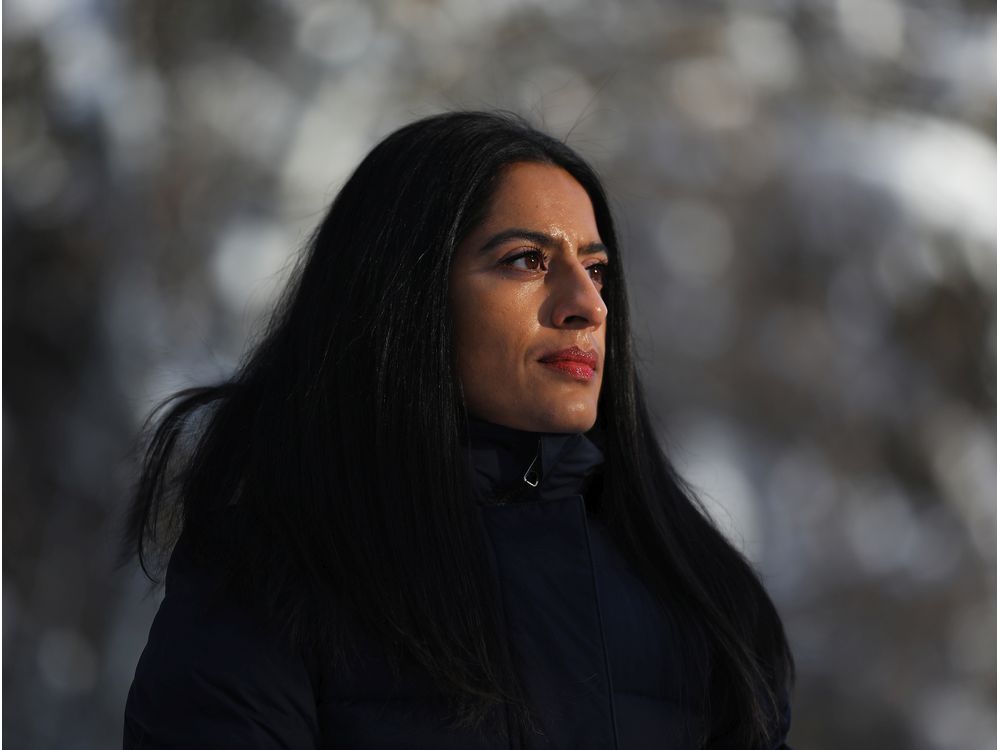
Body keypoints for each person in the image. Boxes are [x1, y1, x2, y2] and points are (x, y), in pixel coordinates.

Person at [123, 111, 794, 749]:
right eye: (526, 261)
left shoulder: (698, 594)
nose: (585, 305)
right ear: (405, 296)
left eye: (595, 270)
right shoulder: (274, 576)